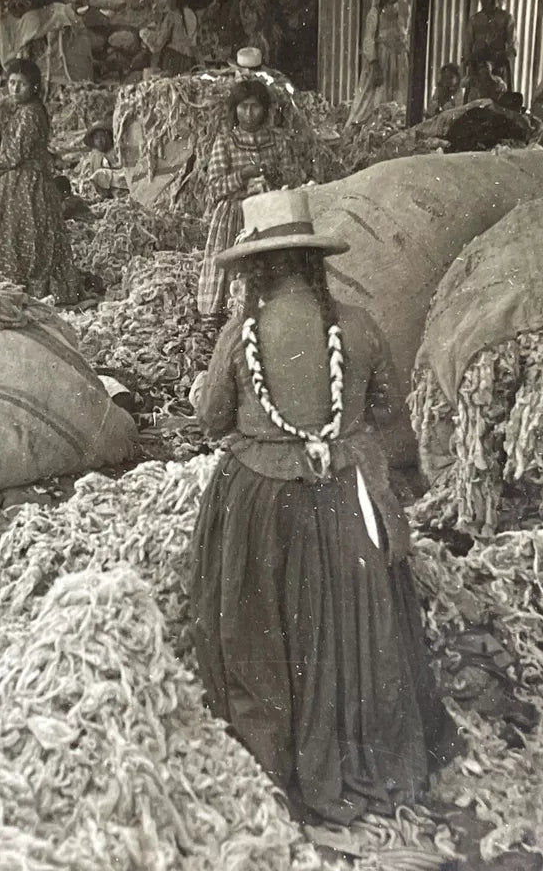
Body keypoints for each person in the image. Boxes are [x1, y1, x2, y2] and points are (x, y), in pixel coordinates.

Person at [189, 187, 459, 832]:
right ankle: (371, 749)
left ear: (255, 268)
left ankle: (282, 752)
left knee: (263, 620)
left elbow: (210, 420)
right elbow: (392, 414)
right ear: (313, 262)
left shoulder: (242, 333)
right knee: (354, 622)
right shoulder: (360, 325)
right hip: (350, 496)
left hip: (263, 499)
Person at [197, 79, 301, 324]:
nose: (249, 113)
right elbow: (214, 188)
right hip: (235, 214)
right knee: (232, 273)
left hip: (270, 214)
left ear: (265, 109)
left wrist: (275, 175)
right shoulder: (226, 142)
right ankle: (221, 321)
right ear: (235, 110)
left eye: (254, 107)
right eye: (243, 107)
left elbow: (294, 177)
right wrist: (242, 175)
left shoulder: (278, 141)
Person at [0, 58, 81, 304]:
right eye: (12, 83)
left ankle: (34, 286)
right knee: (26, 230)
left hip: (27, 182)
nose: (15, 89)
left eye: (22, 85)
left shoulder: (30, 113)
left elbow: (15, 154)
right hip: (21, 181)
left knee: (29, 230)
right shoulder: (25, 110)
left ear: (34, 87)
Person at [349, 0, 411, 122]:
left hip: (399, 59)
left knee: (400, 96)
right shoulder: (374, 12)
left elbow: (407, 34)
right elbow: (368, 40)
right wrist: (374, 63)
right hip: (381, 59)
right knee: (375, 97)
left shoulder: (404, 9)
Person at [464, 0, 516, 101]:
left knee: (500, 102)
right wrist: (471, 59)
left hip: (499, 67)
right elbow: (468, 45)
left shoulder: (506, 19)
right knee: (476, 104)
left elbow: (512, 46)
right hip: (479, 67)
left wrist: (502, 56)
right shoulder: (474, 20)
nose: (490, 1)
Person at [149, 0, 199, 75]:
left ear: (173, 0)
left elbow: (160, 42)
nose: (167, 2)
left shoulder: (171, 16)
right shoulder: (192, 14)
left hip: (173, 59)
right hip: (188, 60)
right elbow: (193, 42)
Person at [81, 122, 128, 196]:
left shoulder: (117, 151)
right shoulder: (95, 157)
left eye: (102, 137)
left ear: (108, 136)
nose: (100, 141)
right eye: (96, 138)